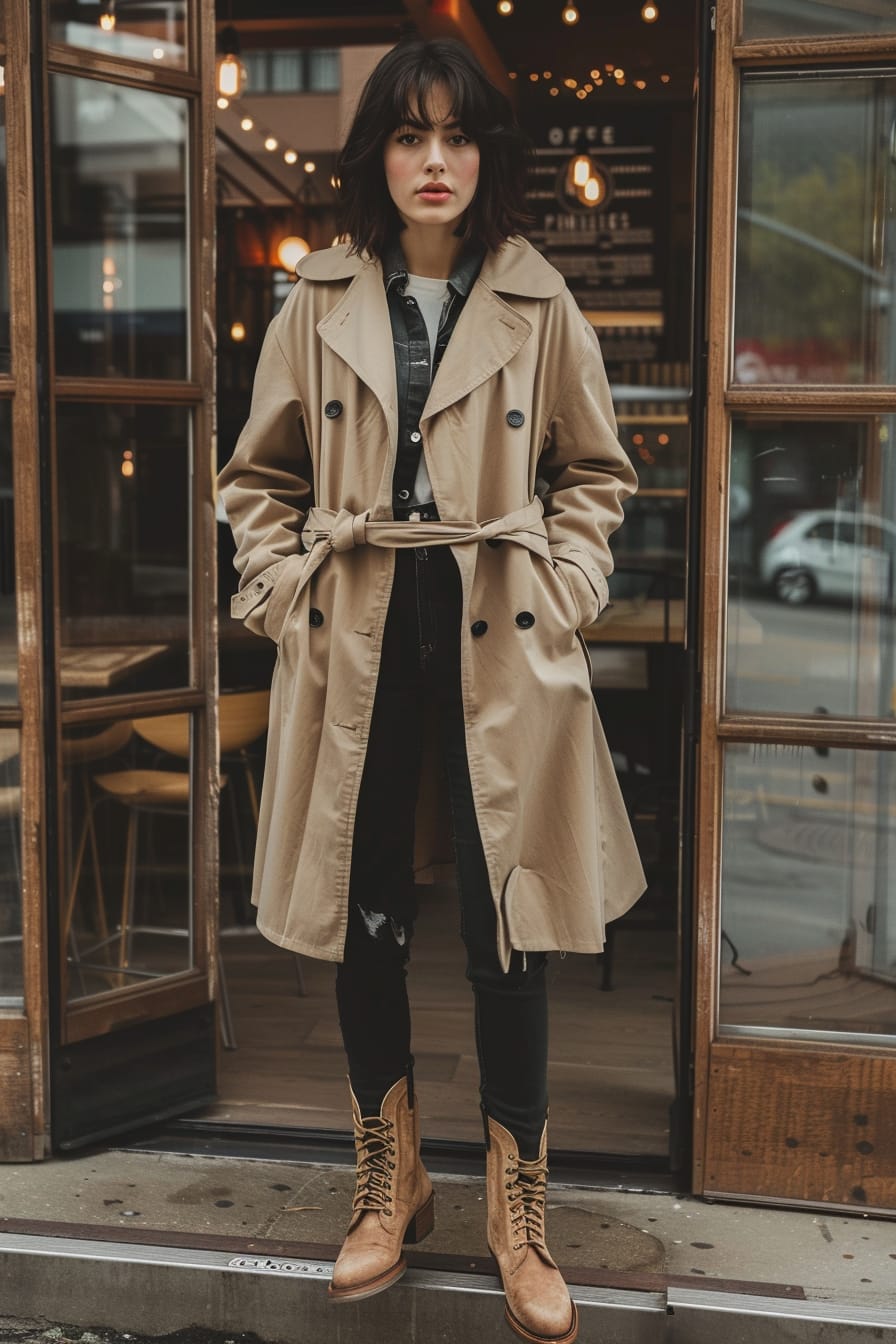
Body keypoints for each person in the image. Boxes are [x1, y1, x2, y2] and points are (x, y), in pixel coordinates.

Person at [218, 36, 645, 1344]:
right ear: (378, 157)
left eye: (457, 137)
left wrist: (564, 585)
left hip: (497, 631)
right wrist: (286, 588)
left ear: (485, 155)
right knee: (364, 910)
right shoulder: (316, 299)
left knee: (504, 923)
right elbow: (258, 484)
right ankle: (390, 1174)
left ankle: (520, 1211)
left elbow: (596, 478)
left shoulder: (539, 301)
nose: (436, 160)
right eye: (411, 136)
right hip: (361, 626)